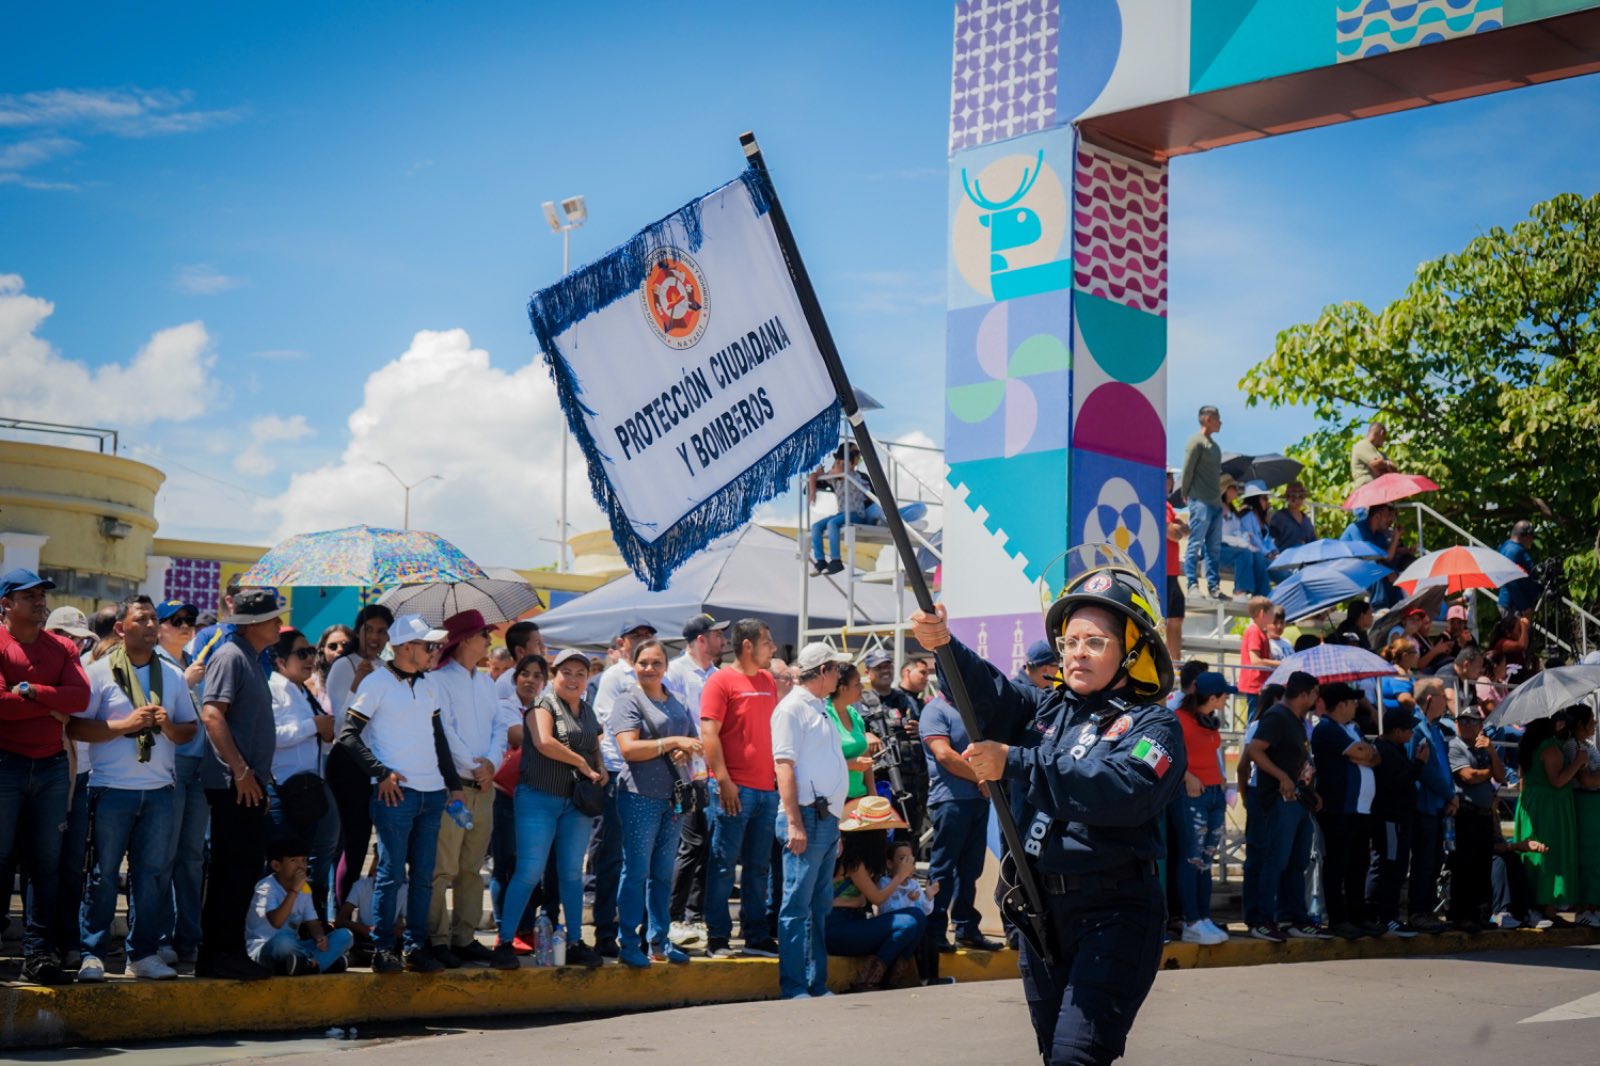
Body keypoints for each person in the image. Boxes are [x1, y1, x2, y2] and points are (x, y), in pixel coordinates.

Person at [911, 554, 1185, 1066]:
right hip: (1039, 914)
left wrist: (1016, 761)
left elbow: (1126, 789)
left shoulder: (1155, 725)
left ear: (1132, 651)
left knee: (1074, 1058)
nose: (1077, 653)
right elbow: (988, 693)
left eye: (1095, 642)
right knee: (1052, 1054)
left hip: (1115, 914)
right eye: (1070, 642)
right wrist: (944, 644)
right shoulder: (1046, 706)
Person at [71, 595, 198, 982]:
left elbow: (189, 729)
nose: (150, 625)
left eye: (154, 619)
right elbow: (75, 727)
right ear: (120, 628)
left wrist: (167, 726)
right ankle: (92, 953)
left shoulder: (172, 674)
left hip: (159, 789)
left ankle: (142, 954)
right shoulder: (97, 672)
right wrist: (124, 726)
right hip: (110, 788)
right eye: (141, 619)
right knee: (103, 875)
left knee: (152, 875)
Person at [337, 612, 466, 974]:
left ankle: (414, 948)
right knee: (390, 874)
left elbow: (439, 738)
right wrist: (380, 773)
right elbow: (347, 734)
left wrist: (454, 785)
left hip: (432, 793)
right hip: (397, 795)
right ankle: (383, 950)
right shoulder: (376, 682)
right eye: (429, 646)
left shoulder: (430, 684)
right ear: (407, 647)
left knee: (422, 877)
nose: (435, 651)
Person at [0, 569, 92, 985]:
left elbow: (81, 698)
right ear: (6, 603)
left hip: (52, 765)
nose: (40, 602)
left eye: (42, 595)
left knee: (45, 863)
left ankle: (38, 954)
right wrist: (53, 704)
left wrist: (30, 690)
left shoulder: (62, 646)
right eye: (29, 596)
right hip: (6, 763)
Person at [491, 647, 607, 971]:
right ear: (554, 676)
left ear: (587, 678)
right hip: (539, 798)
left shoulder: (587, 709)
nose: (573, 679)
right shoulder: (542, 704)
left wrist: (600, 766)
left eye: (580, 674)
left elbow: (595, 742)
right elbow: (543, 741)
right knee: (529, 871)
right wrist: (582, 763)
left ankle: (575, 942)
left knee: (571, 874)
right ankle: (504, 942)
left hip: (576, 803)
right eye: (566, 672)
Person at [196, 587, 287, 981]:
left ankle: (226, 952)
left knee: (243, 868)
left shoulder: (250, 657)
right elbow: (212, 715)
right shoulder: (231, 655)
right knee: (233, 869)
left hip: (248, 783)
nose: (279, 623)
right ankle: (220, 954)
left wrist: (255, 779)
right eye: (272, 618)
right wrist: (241, 772)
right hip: (233, 783)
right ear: (252, 624)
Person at [611, 638, 701, 968]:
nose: (649, 668)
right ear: (633, 665)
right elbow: (628, 749)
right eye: (643, 662)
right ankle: (628, 942)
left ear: (666, 666)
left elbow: (692, 741)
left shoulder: (676, 700)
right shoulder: (628, 699)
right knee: (636, 872)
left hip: (673, 798)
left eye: (656, 663)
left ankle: (659, 941)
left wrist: (683, 751)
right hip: (639, 796)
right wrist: (673, 741)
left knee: (662, 874)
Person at [772, 642, 851, 1000]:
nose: (839, 676)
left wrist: (834, 824)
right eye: (836, 669)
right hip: (806, 816)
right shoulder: (792, 709)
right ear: (822, 671)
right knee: (797, 906)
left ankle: (815, 983)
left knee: (818, 907)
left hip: (824, 820)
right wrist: (794, 822)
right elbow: (784, 767)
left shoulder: (819, 707)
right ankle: (794, 985)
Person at [700, 617, 781, 959]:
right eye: (767, 642)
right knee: (722, 864)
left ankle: (755, 934)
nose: (773, 648)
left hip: (766, 789)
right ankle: (718, 936)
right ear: (747, 646)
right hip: (734, 789)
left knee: (759, 867)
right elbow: (709, 733)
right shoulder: (720, 681)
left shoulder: (767, 680)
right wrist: (723, 781)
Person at [428, 609, 504, 967]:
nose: (488, 641)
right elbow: (442, 732)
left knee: (471, 868)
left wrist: (491, 764)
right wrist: (477, 765)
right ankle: (437, 938)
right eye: (483, 635)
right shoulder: (438, 681)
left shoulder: (486, 683)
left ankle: (464, 936)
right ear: (465, 640)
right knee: (443, 867)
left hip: (483, 786)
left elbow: (499, 727)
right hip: (454, 787)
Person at [590, 619, 658, 958]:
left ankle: (640, 931)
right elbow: (606, 724)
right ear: (622, 642)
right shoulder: (615, 676)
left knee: (642, 860)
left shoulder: (656, 677)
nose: (643, 640)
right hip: (619, 772)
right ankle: (605, 930)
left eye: (648, 636)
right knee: (613, 857)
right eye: (636, 636)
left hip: (649, 774)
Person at [324, 603, 395, 915]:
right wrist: (356, 687)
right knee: (352, 842)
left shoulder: (385, 668)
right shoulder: (344, 666)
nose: (375, 637)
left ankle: (365, 912)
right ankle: (340, 913)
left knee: (371, 842)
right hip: (348, 760)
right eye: (369, 630)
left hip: (376, 762)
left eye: (382, 631)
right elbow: (340, 726)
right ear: (358, 631)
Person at [266, 628, 340, 922]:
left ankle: (311, 923)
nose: (310, 658)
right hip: (283, 793)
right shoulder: (272, 690)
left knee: (309, 860)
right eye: (301, 653)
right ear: (280, 660)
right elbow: (271, 737)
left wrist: (324, 731)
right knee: (283, 866)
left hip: (309, 791)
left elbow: (316, 738)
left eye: (311, 651)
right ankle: (278, 928)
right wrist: (314, 726)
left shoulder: (303, 691)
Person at [1246, 672, 1326, 942]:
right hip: (1281, 801)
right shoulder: (1277, 717)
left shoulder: (1297, 720)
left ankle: (1294, 918)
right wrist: (1281, 777)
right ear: (1304, 694)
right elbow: (1255, 750)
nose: (1317, 700)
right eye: (1315, 694)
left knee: (1297, 862)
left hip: (1300, 801)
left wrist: (1311, 792)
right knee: (1276, 861)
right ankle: (1262, 920)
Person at [919, 691, 999, 954]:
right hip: (949, 800)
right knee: (943, 867)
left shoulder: (971, 707)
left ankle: (966, 928)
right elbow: (944, 755)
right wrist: (980, 777)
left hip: (977, 800)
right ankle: (934, 930)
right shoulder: (935, 710)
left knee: (970, 869)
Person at [663, 614, 725, 947]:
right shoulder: (674, 672)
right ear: (700, 639)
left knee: (705, 845)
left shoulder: (718, 674)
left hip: (712, 772)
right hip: (684, 773)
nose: (723, 640)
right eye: (717, 635)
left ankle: (693, 915)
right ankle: (672, 915)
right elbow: (671, 717)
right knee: (690, 844)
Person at [151, 599, 207, 965]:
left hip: (200, 765)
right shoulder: (154, 662)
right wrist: (185, 684)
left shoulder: (194, 661)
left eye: (190, 619)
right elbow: (154, 713)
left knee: (192, 857)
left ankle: (189, 937)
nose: (185, 625)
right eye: (176, 620)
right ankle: (159, 937)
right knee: (164, 855)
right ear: (159, 627)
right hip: (169, 766)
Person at [826, 802, 927, 992]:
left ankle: (891, 977)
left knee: (918, 917)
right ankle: (867, 979)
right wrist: (899, 876)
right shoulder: (854, 862)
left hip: (854, 922)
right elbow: (877, 899)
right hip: (837, 928)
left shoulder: (865, 861)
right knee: (908, 923)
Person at [488, 653, 548, 947]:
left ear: (544, 682)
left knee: (531, 867)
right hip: (505, 795)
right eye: (525, 674)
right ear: (515, 678)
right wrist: (551, 738)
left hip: (538, 796)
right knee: (505, 865)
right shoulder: (505, 706)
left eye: (538, 676)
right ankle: (504, 932)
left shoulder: (547, 708)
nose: (531, 680)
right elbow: (517, 736)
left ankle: (524, 929)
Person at [1311, 682, 1379, 940]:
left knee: (1359, 864)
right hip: (1339, 808)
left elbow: (1375, 757)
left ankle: (1357, 916)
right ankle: (1338, 919)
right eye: (1352, 702)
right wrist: (1364, 754)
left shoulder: (1353, 728)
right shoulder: (1327, 729)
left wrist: (1365, 754)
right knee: (1338, 864)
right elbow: (1360, 752)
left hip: (1361, 810)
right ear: (1341, 705)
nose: (1355, 706)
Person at [1173, 672, 1234, 946]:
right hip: (1191, 796)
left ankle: (1203, 917)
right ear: (1212, 697)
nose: (1227, 699)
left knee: (1206, 860)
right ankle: (1191, 920)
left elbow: (1211, 754)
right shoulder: (1179, 720)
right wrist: (1187, 776)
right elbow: (1170, 755)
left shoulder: (1208, 721)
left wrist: (1220, 779)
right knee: (1192, 858)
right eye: (1224, 695)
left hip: (1213, 794)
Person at [247, 838, 354, 975]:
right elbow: (277, 922)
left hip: (295, 947)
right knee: (284, 941)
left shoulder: (304, 888)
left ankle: (307, 965)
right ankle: (319, 963)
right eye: (293, 861)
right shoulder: (266, 888)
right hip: (266, 948)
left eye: (304, 860)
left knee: (345, 936)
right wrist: (294, 890)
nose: (301, 866)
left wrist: (320, 937)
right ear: (276, 866)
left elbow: (312, 922)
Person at [1514, 714, 1583, 920]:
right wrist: (1578, 762)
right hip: (1550, 807)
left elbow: (1522, 779)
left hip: (1530, 803)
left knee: (1532, 854)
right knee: (1549, 854)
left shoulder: (1527, 745)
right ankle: (1548, 907)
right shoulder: (1550, 747)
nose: (1561, 723)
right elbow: (1557, 781)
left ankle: (1532, 905)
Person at [1448, 705, 1507, 930]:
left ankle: (1480, 915)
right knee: (1464, 867)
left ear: (1481, 725)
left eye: (1472, 721)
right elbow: (1469, 776)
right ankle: (1461, 916)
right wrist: (1489, 772)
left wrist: (1491, 751)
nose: (1466, 725)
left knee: (1482, 867)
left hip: (1484, 816)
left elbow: (1501, 777)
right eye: (1462, 720)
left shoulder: (1484, 748)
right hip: (1465, 814)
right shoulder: (1455, 746)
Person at [1369, 706, 1426, 936]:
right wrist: (1419, 763)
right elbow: (1396, 783)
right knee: (1389, 868)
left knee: (1398, 867)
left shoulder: (1396, 749)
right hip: (1390, 821)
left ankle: (1385, 915)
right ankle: (1385, 916)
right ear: (1396, 731)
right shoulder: (1384, 750)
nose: (1411, 733)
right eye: (1408, 729)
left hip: (1400, 819)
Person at [1405, 677, 1455, 933]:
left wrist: (1450, 795)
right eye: (1443, 697)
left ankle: (1428, 910)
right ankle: (1418, 912)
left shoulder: (1435, 728)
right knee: (1424, 862)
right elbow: (1423, 771)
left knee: (1435, 861)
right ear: (1429, 699)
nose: (1446, 701)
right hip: (1424, 805)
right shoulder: (1417, 729)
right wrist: (1449, 794)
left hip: (1438, 806)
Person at [879, 654, 933, 856]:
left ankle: (908, 870)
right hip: (894, 781)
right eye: (922, 672)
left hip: (918, 781)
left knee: (913, 832)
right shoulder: (888, 700)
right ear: (907, 672)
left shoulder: (922, 704)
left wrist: (923, 729)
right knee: (893, 835)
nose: (926, 678)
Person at [807, 442, 879, 574]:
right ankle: (820, 561)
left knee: (832, 523)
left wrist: (832, 470)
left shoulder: (853, 475)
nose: (836, 466)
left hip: (856, 514)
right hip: (842, 513)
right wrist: (813, 491)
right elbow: (813, 476)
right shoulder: (835, 477)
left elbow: (841, 471)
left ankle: (836, 560)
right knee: (816, 527)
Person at [1180, 404, 1225, 600]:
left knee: (1214, 548)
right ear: (1208, 419)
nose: (1220, 422)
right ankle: (1192, 584)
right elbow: (1188, 468)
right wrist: (1185, 491)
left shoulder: (1215, 447)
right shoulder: (1196, 442)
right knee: (1195, 543)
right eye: (1217, 418)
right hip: (1200, 501)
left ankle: (1214, 587)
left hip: (1215, 503)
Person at [824, 661, 876, 802]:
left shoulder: (854, 714)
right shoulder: (824, 716)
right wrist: (849, 765)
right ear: (843, 688)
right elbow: (818, 762)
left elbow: (865, 756)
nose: (862, 687)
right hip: (832, 800)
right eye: (857, 683)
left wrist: (872, 794)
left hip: (859, 797)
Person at [1341, 503, 1405, 609]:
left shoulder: (1379, 534)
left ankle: (1398, 607)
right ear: (1377, 516)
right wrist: (1387, 572)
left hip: (1365, 568)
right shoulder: (1357, 528)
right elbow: (1367, 558)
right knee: (1375, 569)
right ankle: (1379, 608)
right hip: (1347, 570)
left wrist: (1396, 536)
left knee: (1392, 569)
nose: (1390, 520)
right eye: (1387, 516)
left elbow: (1388, 557)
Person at [1222, 479, 1275, 597]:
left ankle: (1263, 596)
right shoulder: (1245, 515)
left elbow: (1265, 539)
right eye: (1264, 498)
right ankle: (1242, 591)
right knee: (1251, 556)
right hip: (1225, 547)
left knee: (1260, 558)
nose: (1267, 502)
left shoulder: (1233, 510)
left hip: (1239, 546)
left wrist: (1273, 551)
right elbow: (1253, 539)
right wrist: (1268, 553)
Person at [1237, 596, 1280, 720]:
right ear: (1262, 613)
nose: (1274, 615)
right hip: (1255, 685)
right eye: (1271, 612)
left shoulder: (1261, 632)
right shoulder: (1254, 631)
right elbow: (1255, 661)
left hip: (1260, 684)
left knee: (1260, 717)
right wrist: (1278, 663)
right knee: (1255, 718)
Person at [1164, 470, 1188, 658]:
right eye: (1168, 476)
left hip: (1172, 572)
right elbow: (1174, 533)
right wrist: (1177, 526)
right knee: (1162, 620)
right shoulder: (1155, 502)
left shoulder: (1169, 506)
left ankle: (1174, 665)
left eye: (1171, 477)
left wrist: (1177, 526)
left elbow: (1185, 530)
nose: (1171, 480)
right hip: (1160, 572)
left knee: (1176, 619)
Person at [493, 621, 545, 703]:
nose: (543, 648)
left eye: (542, 642)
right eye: (537, 643)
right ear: (520, 651)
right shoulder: (505, 684)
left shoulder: (544, 680)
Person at [1498, 520, 1539, 615]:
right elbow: (1510, 581)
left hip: (1511, 604)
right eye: (1532, 536)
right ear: (1526, 536)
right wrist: (1524, 607)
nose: (1532, 540)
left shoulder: (1506, 546)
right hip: (1513, 607)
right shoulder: (1515, 551)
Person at [311, 624, 355, 710]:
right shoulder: (312, 682)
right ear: (322, 650)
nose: (340, 649)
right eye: (333, 646)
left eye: (346, 645)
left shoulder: (365, 676)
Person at [1269, 482, 1317, 552]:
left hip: (1305, 556)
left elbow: (1313, 542)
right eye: (1293, 497)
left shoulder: (1307, 520)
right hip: (1285, 556)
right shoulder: (1279, 517)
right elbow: (1269, 539)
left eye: (1301, 497)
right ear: (1287, 498)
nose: (1297, 500)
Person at [1350, 422, 1396, 489]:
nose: (1383, 442)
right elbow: (1378, 467)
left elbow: (1395, 471)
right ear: (1381, 433)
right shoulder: (1363, 445)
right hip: (1366, 490)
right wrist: (1387, 465)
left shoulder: (1379, 452)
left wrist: (1386, 464)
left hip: (1376, 489)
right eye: (1384, 438)